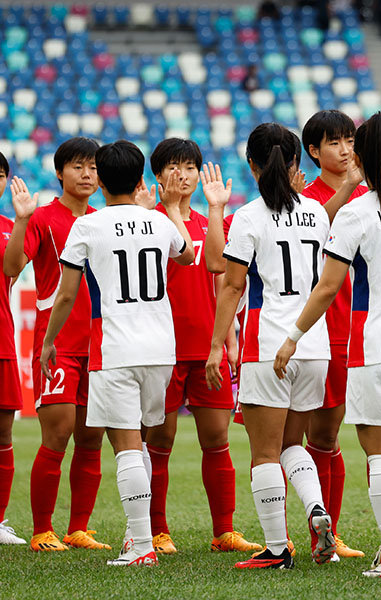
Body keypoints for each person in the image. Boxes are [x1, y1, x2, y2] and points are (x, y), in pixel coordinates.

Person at [272, 112, 381, 578]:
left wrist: (292, 337)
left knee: (379, 449)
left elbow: (328, 286)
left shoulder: (356, 211)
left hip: (377, 345)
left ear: (361, 156)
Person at [40, 139, 196, 566]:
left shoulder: (88, 226)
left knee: (126, 445)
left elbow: (66, 295)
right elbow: (187, 258)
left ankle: (143, 546)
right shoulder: (159, 222)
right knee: (142, 441)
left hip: (116, 348)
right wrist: (172, 210)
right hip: (161, 349)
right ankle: (135, 536)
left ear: (101, 180)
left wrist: (49, 341)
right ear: (141, 178)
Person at [205, 123, 336, 570]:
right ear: (298, 163)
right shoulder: (317, 213)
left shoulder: (248, 216)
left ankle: (278, 549)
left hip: (268, 342)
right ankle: (316, 508)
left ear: (251, 165)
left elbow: (232, 284)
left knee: (263, 453)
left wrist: (217, 345)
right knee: (292, 443)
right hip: (312, 343)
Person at [142, 138, 260, 555]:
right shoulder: (147, 221)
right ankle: (157, 530)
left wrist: (228, 339)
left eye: (190, 167)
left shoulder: (215, 222)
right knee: (160, 440)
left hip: (205, 347)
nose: (183, 175)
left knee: (217, 438)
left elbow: (221, 279)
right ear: (157, 176)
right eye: (173, 167)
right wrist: (170, 211)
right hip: (160, 349)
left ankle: (224, 531)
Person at [2, 137, 109, 552]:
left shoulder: (103, 220)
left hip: (99, 345)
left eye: (94, 168)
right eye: (78, 167)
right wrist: (23, 221)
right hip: (57, 343)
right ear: (60, 173)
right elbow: (12, 268)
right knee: (57, 435)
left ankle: (77, 528)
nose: (87, 175)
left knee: (91, 437)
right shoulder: (43, 218)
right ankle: (42, 530)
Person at [298, 110, 368, 560]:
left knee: (331, 438)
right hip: (313, 334)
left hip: (357, 333)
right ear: (312, 151)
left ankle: (331, 533)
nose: (345, 149)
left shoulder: (372, 198)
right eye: (334, 142)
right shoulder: (302, 201)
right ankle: (295, 532)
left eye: (349, 140)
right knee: (299, 438)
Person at [0, 153, 26, 544]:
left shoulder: (9, 227)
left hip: (1, 338)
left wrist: (21, 220)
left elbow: (12, 270)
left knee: (3, 431)